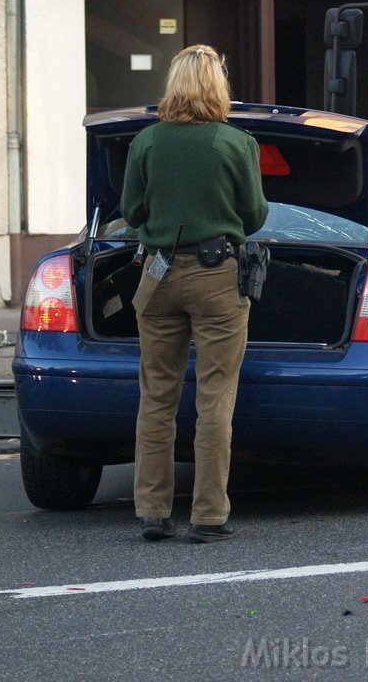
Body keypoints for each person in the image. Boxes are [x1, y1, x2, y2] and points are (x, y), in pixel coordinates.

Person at [121, 44, 268, 543]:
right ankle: (208, 515)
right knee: (214, 397)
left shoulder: (145, 141)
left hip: (158, 277)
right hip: (217, 277)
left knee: (156, 397)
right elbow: (254, 216)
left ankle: (152, 512)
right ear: (217, 88)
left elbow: (131, 211)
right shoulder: (235, 143)